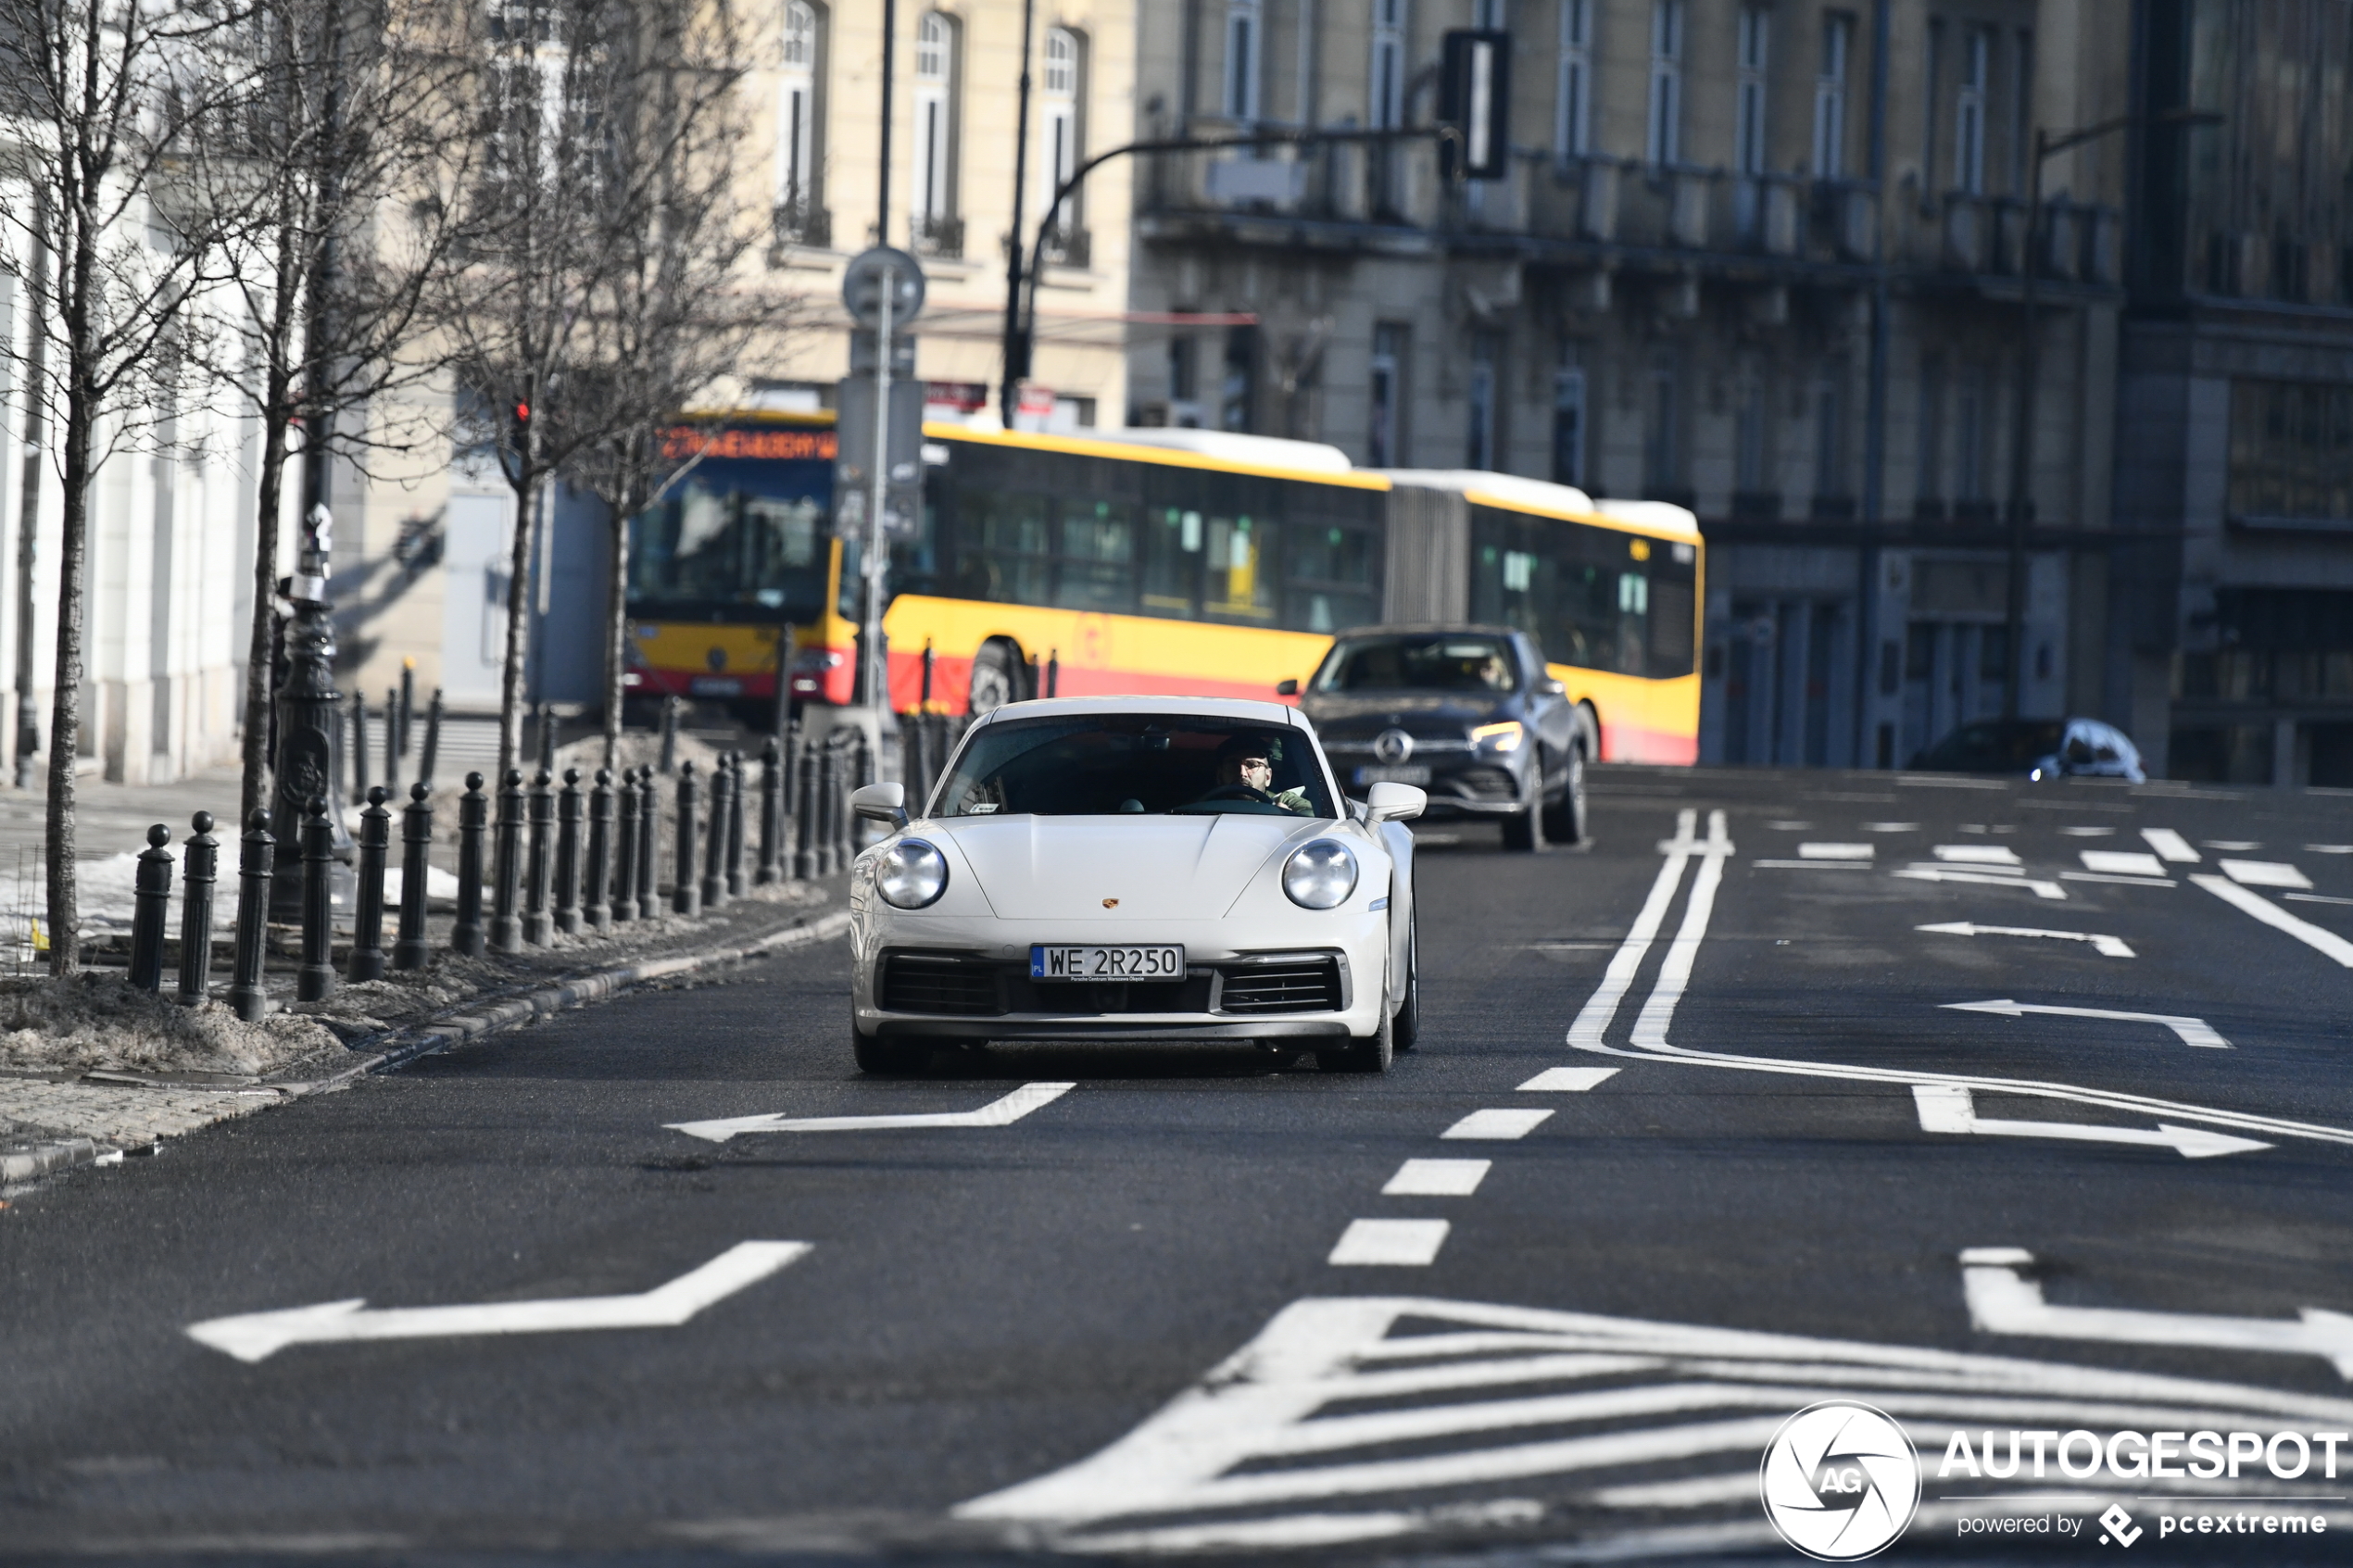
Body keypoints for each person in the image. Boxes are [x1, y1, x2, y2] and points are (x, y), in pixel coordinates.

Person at [1194, 734, 1313, 813]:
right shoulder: (1201, 806)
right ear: (1219, 775)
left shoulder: (1285, 801)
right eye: (1233, 765)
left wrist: (1289, 817)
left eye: (1252, 765)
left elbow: (1315, 820)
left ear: (1268, 777)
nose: (1242, 773)